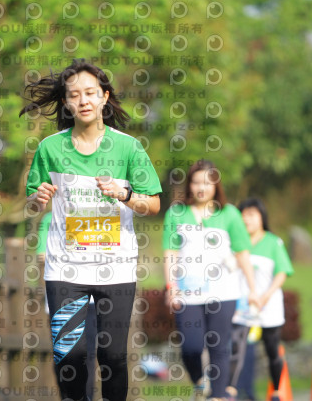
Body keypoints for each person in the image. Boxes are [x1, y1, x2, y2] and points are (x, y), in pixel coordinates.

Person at [22, 58, 162, 401]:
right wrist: (38, 199)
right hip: (65, 267)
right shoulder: (50, 148)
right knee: (69, 355)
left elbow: (154, 204)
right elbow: (31, 203)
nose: (83, 100)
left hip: (115, 266)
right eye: (74, 95)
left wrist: (124, 195)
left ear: (104, 96)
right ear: (66, 102)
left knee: (112, 356)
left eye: (90, 92)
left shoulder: (128, 147)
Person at [162, 159, 259, 401]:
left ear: (216, 185)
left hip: (223, 292)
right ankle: (199, 380)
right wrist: (171, 287)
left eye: (207, 183)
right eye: (196, 182)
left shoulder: (230, 214)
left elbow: (243, 254)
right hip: (188, 293)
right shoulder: (176, 213)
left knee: (219, 347)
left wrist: (253, 289)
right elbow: (170, 253)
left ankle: (218, 396)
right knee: (191, 346)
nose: (201, 188)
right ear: (189, 184)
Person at [229, 198, 294, 401]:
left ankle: (276, 391)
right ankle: (231, 391)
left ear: (261, 218)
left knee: (272, 350)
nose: (246, 219)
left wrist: (266, 296)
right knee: (236, 348)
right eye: (243, 215)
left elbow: (282, 272)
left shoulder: (273, 242)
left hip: (268, 306)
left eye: (251, 215)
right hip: (242, 306)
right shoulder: (235, 242)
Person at [36, 211, 97, 399]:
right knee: (63, 354)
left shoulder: (96, 215)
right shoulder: (50, 218)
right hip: (60, 297)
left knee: (87, 354)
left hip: (91, 300)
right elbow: (41, 255)